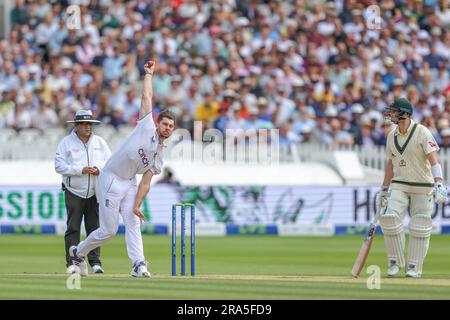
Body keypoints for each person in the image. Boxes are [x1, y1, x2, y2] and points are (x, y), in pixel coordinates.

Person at [68, 60, 176, 277]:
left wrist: (137, 205)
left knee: (133, 222)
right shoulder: (145, 126)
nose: (167, 128)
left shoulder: (159, 155)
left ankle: (138, 264)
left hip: (129, 183)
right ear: (158, 123)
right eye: (164, 124)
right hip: (111, 178)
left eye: (171, 126)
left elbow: (146, 182)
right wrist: (148, 74)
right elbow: (147, 97)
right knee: (109, 231)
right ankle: (77, 252)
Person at [376, 98, 448, 278]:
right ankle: (394, 262)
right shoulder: (391, 135)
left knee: (420, 224)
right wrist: (384, 188)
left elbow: (433, 159)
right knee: (390, 219)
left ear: (405, 114)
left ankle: (414, 267)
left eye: (394, 111)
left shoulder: (422, 132)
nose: (390, 114)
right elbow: (391, 165)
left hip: (423, 185)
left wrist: (439, 182)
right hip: (399, 184)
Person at [55, 110, 111, 274]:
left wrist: (98, 170)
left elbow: (110, 163)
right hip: (74, 191)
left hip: (95, 190)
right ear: (77, 126)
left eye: (90, 124)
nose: (88, 127)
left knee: (94, 228)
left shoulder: (100, 142)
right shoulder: (66, 143)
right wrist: (81, 170)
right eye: (85, 124)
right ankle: (72, 263)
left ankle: (95, 262)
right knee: (73, 227)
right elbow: (59, 166)